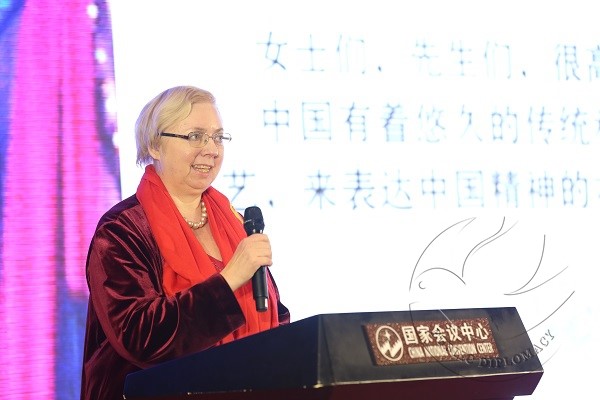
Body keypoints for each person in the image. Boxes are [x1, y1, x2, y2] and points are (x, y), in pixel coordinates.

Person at [80, 85, 290, 399]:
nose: (211, 149)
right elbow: (140, 336)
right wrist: (229, 279)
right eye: (195, 136)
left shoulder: (233, 220)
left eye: (218, 137)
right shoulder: (122, 230)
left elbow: (275, 314)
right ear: (154, 145)